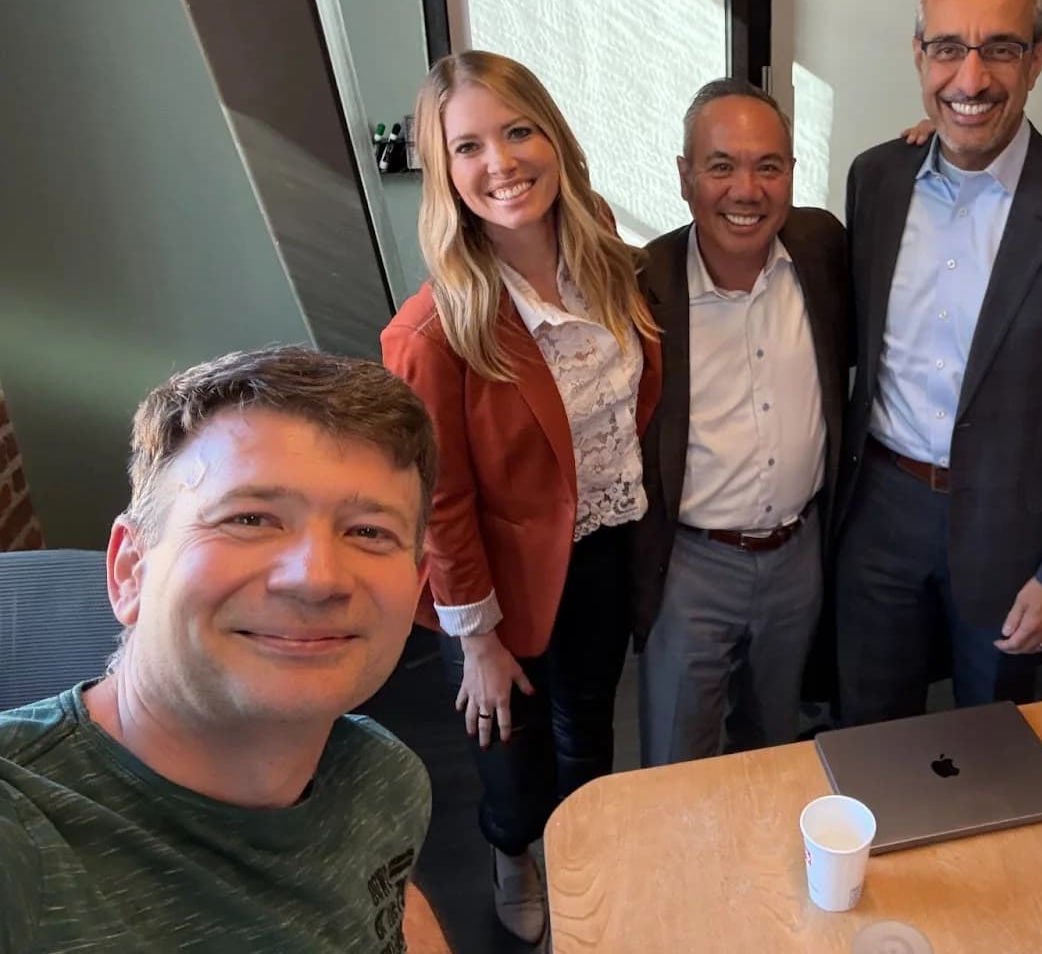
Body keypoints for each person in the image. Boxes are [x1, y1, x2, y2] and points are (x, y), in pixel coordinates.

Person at [0, 346, 448, 953]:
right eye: (250, 519)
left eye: (369, 532)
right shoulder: (26, 837)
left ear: (418, 587)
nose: (317, 577)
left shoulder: (384, 779)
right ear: (130, 570)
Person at [382, 51, 661, 944]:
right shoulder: (434, 330)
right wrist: (479, 639)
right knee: (509, 745)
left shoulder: (601, 247)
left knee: (589, 720)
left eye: (517, 131)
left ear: (554, 138)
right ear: (445, 172)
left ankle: (584, 850)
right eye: (468, 147)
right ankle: (512, 850)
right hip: (497, 580)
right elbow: (442, 504)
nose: (500, 162)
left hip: (604, 539)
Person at [834, 0, 1042, 725]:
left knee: (991, 746)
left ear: (1037, 59)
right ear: (918, 55)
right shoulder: (876, 178)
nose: (970, 78)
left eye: (1000, 50)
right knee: (868, 728)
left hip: (1016, 534)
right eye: (948, 49)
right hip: (880, 509)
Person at [632, 79, 849, 765]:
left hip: (798, 555)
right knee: (677, 757)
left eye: (769, 166)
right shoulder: (639, 284)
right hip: (690, 565)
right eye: (721, 165)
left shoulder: (822, 249)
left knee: (774, 747)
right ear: (685, 177)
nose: (746, 190)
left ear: (791, 173)